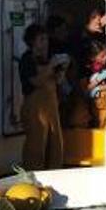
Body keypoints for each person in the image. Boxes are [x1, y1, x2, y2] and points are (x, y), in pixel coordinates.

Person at [19, 24, 67, 169]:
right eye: (41, 39)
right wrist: (51, 66)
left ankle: (54, 175)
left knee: (55, 144)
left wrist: (63, 68)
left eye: (46, 39)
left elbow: (58, 81)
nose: (45, 42)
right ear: (32, 42)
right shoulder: (26, 59)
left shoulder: (48, 59)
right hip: (34, 110)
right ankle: (32, 177)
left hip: (51, 109)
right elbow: (36, 81)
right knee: (36, 145)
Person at [69, 37, 106, 129]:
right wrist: (99, 85)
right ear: (92, 58)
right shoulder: (85, 71)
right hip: (87, 104)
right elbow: (85, 90)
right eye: (102, 56)